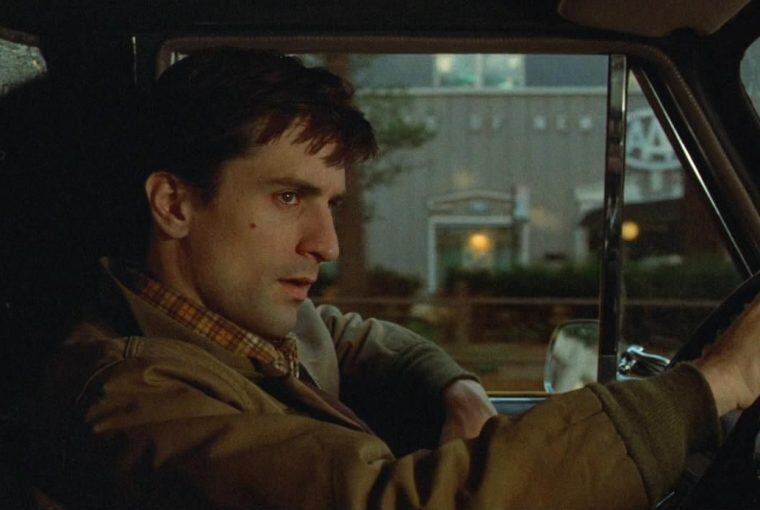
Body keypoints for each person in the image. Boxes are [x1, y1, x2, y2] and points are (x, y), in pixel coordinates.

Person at [29, 48, 760, 509]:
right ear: (174, 204)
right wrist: (712, 386)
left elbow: (350, 339)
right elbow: (390, 501)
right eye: (288, 197)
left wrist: (454, 387)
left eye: (332, 204)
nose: (326, 244)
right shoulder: (131, 400)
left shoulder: (237, 327)